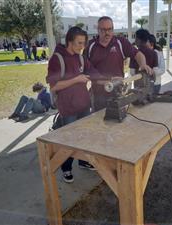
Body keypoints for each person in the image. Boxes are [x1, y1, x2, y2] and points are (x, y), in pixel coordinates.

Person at [46, 26, 101, 183]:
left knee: (84, 136)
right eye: (79, 43)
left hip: (84, 105)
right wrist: (76, 79)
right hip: (68, 109)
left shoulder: (81, 57)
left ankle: (83, 161)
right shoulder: (57, 59)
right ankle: (66, 168)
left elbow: (93, 72)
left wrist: (108, 79)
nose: (82, 47)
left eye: (83, 43)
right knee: (69, 140)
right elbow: (54, 86)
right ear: (69, 41)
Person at [85, 16, 153, 111]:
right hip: (98, 94)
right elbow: (87, 69)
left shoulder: (120, 42)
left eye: (110, 29)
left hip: (118, 92)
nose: (107, 33)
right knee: (99, 121)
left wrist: (143, 64)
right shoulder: (90, 46)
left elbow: (138, 54)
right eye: (103, 30)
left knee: (119, 119)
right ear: (98, 30)